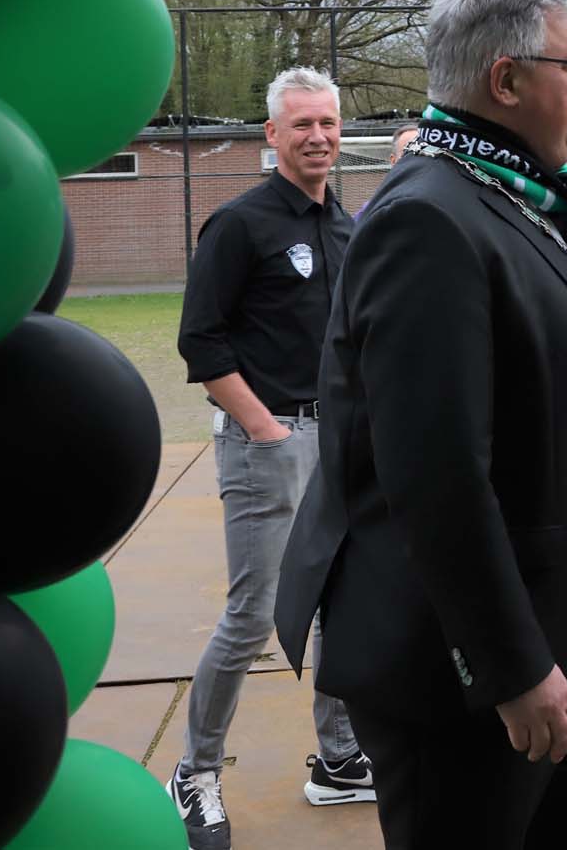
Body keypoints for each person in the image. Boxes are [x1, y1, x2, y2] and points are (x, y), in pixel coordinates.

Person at [273, 0, 567, 848]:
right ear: (506, 81)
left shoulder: (518, 197)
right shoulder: (428, 219)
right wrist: (510, 665)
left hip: (558, 635)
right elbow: (435, 473)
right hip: (470, 675)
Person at [171, 67, 370, 850]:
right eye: (302, 125)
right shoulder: (240, 224)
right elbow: (201, 340)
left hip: (339, 440)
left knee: (341, 603)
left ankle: (340, 759)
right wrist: (265, 429)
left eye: (328, 122)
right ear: (272, 136)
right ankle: (195, 770)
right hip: (268, 444)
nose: (318, 136)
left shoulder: (347, 227)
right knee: (254, 616)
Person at [355, 124, 422, 220]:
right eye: (408, 154)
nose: (416, 161)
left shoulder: (445, 200)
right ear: (393, 161)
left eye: (421, 153)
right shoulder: (373, 210)